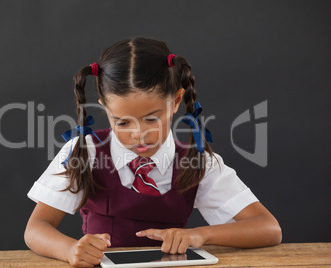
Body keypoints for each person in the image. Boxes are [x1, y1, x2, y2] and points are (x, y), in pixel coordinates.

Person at [24, 36, 282, 267]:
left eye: (151, 119)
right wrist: (70, 250)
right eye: (122, 122)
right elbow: (36, 229)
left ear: (176, 101)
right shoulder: (85, 152)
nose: (139, 134)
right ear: (104, 109)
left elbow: (268, 228)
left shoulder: (197, 162)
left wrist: (200, 234)